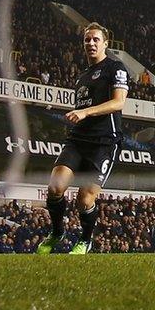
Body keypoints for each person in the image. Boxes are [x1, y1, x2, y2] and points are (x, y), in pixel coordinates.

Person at [37, 22, 128, 255]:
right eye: (87, 40)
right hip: (78, 140)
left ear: (105, 43)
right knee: (55, 187)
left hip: (104, 143)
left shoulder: (115, 68)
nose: (91, 43)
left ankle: (85, 240)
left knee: (85, 199)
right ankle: (57, 232)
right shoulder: (82, 76)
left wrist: (85, 112)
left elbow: (118, 102)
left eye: (96, 39)